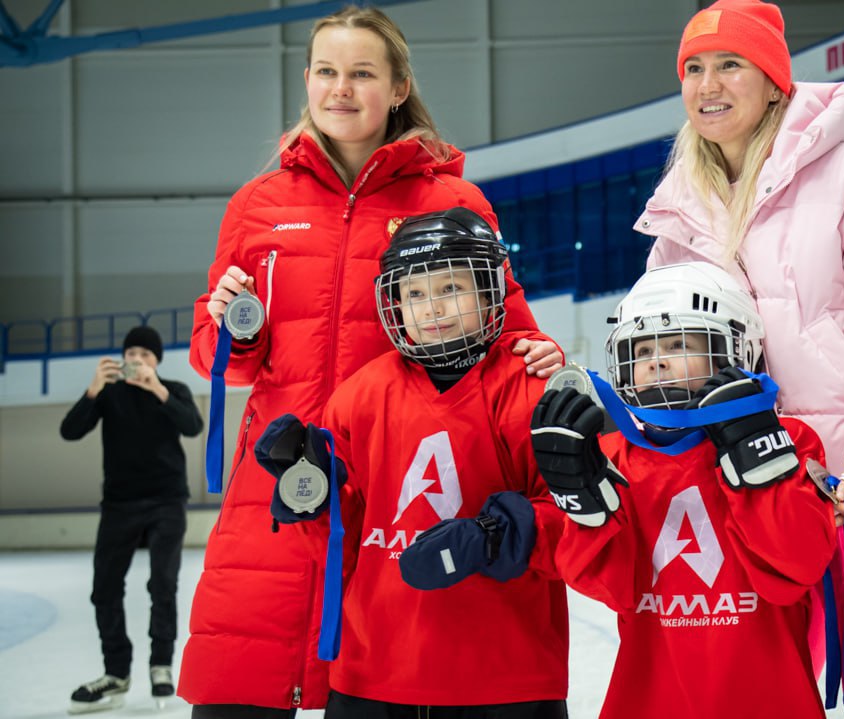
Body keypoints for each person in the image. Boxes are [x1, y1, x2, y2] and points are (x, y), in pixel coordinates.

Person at [183, 7, 561, 715]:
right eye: (326, 71)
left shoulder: (450, 200)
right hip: (280, 485)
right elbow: (223, 364)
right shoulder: (258, 205)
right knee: (238, 692)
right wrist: (225, 324)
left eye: (362, 73)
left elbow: (508, 336)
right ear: (307, 81)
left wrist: (544, 357)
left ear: (397, 88)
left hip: (396, 492)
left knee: (376, 690)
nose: (341, 89)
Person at [638, 1, 844, 716]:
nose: (708, 83)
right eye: (693, 68)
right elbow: (664, 357)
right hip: (757, 498)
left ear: (773, 82)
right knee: (758, 695)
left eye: (730, 64)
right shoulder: (679, 215)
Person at [258, 208, 568, 718]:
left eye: (452, 288)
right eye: (415, 293)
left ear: (491, 292)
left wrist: (495, 535)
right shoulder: (358, 396)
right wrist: (311, 500)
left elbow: (580, 524)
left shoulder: (529, 386)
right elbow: (347, 547)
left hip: (506, 679)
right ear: (393, 303)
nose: (433, 309)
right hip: (372, 675)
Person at [533, 262, 837, 718]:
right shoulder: (613, 455)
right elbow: (609, 590)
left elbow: (798, 567)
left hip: (767, 700)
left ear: (737, 350)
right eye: (641, 350)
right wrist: (583, 501)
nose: (655, 360)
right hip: (648, 701)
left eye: (679, 344)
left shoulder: (791, 437)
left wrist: (756, 448)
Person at [59, 325, 204, 714]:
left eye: (145, 353)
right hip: (119, 505)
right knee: (104, 588)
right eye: (131, 352)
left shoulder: (171, 389)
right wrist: (93, 390)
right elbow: (69, 431)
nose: (136, 359)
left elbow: (193, 425)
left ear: (156, 360)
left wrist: (156, 388)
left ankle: (161, 665)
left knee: (163, 584)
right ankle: (116, 673)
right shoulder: (108, 393)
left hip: (166, 502)